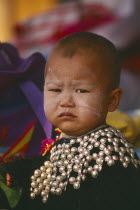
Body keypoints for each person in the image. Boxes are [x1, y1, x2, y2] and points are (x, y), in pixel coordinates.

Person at [0, 32, 140, 210]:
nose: (65, 101)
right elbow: (42, 167)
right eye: (55, 90)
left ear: (111, 100)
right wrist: (15, 172)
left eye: (81, 91)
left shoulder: (112, 154)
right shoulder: (60, 142)